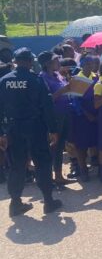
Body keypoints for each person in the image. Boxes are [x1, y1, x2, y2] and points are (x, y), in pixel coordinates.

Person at [0, 48, 63, 216]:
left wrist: (1, 132)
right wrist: (53, 130)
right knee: (42, 163)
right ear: (29, 61)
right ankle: (48, 201)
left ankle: (15, 203)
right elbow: (47, 107)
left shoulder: (4, 81)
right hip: (35, 128)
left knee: (17, 165)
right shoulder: (35, 80)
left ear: (15, 61)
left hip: (13, 128)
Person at [38, 51, 75, 186]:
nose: (58, 63)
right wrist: (63, 90)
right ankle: (50, 176)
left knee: (60, 145)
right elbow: (48, 100)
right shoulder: (42, 78)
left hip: (65, 112)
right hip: (54, 115)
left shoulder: (57, 75)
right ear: (48, 64)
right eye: (55, 61)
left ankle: (58, 175)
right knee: (54, 146)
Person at [70, 56, 98, 181]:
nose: (90, 66)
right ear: (81, 65)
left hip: (95, 114)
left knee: (93, 142)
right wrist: (87, 114)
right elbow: (76, 101)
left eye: (92, 64)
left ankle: (94, 164)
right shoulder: (77, 80)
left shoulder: (95, 77)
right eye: (87, 64)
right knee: (81, 145)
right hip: (81, 116)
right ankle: (83, 170)